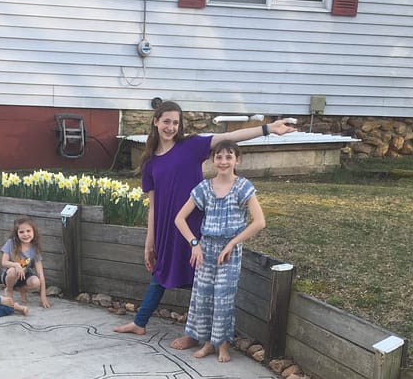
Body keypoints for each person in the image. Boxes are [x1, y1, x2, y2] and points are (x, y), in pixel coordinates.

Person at [113, 102, 294, 347]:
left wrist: (268, 128)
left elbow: (230, 136)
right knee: (161, 272)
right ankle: (140, 322)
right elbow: (153, 206)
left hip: (196, 223)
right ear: (156, 122)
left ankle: (198, 333)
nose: (171, 127)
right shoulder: (149, 163)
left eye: (176, 122)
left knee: (199, 278)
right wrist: (150, 241)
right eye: (166, 121)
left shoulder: (191, 146)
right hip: (169, 226)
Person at [174, 140, 265, 362]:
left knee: (223, 297)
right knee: (204, 297)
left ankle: (222, 344)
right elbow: (179, 218)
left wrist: (233, 243)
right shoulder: (205, 187)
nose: (223, 161)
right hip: (206, 249)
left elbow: (259, 222)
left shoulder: (243, 187)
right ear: (213, 160)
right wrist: (195, 244)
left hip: (229, 251)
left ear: (237, 160)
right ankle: (207, 343)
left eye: (229, 157)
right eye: (219, 157)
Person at [0, 216, 50, 308]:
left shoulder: (34, 249)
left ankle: (21, 289)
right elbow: (3, 262)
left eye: (28, 231)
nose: (25, 234)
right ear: (17, 234)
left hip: (25, 275)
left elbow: (40, 274)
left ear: (34, 232)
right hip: (9, 276)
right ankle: (9, 290)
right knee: (12, 271)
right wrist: (16, 265)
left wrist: (43, 297)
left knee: (36, 282)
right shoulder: (11, 243)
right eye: (21, 232)